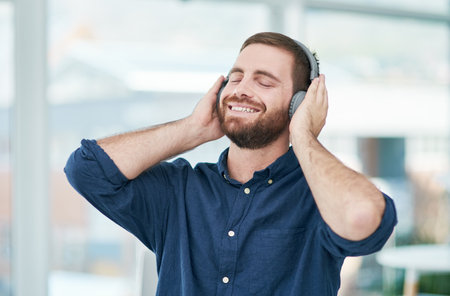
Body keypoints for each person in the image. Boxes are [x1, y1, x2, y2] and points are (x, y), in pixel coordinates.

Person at [65, 32, 397, 295]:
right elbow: (86, 169)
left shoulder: (319, 195)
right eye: (235, 78)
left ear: (300, 103)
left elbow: (362, 217)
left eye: (264, 82)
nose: (241, 89)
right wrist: (192, 129)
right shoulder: (179, 190)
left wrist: (305, 135)